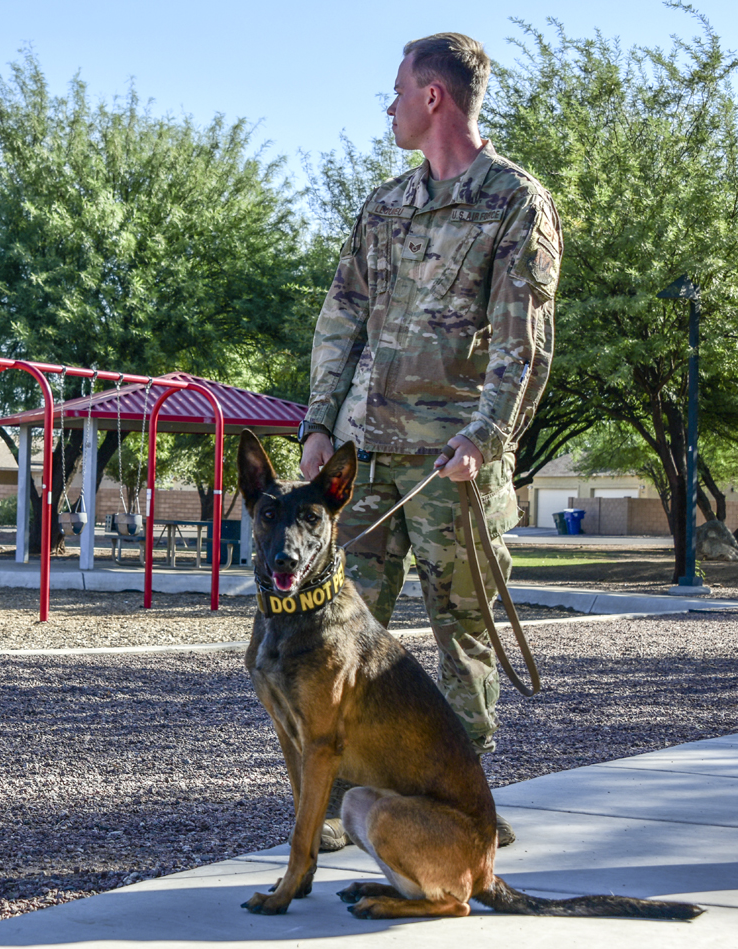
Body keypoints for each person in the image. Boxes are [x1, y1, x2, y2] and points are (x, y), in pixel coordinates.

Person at [298, 32, 561, 847]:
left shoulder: (516, 202)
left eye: (399, 90)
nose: (390, 105)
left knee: (464, 631)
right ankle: (343, 798)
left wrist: (485, 437)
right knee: (343, 629)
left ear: (434, 97)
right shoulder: (383, 207)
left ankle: (459, 801)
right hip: (368, 457)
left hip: (455, 466)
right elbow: (342, 315)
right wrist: (317, 424)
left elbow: (523, 344)